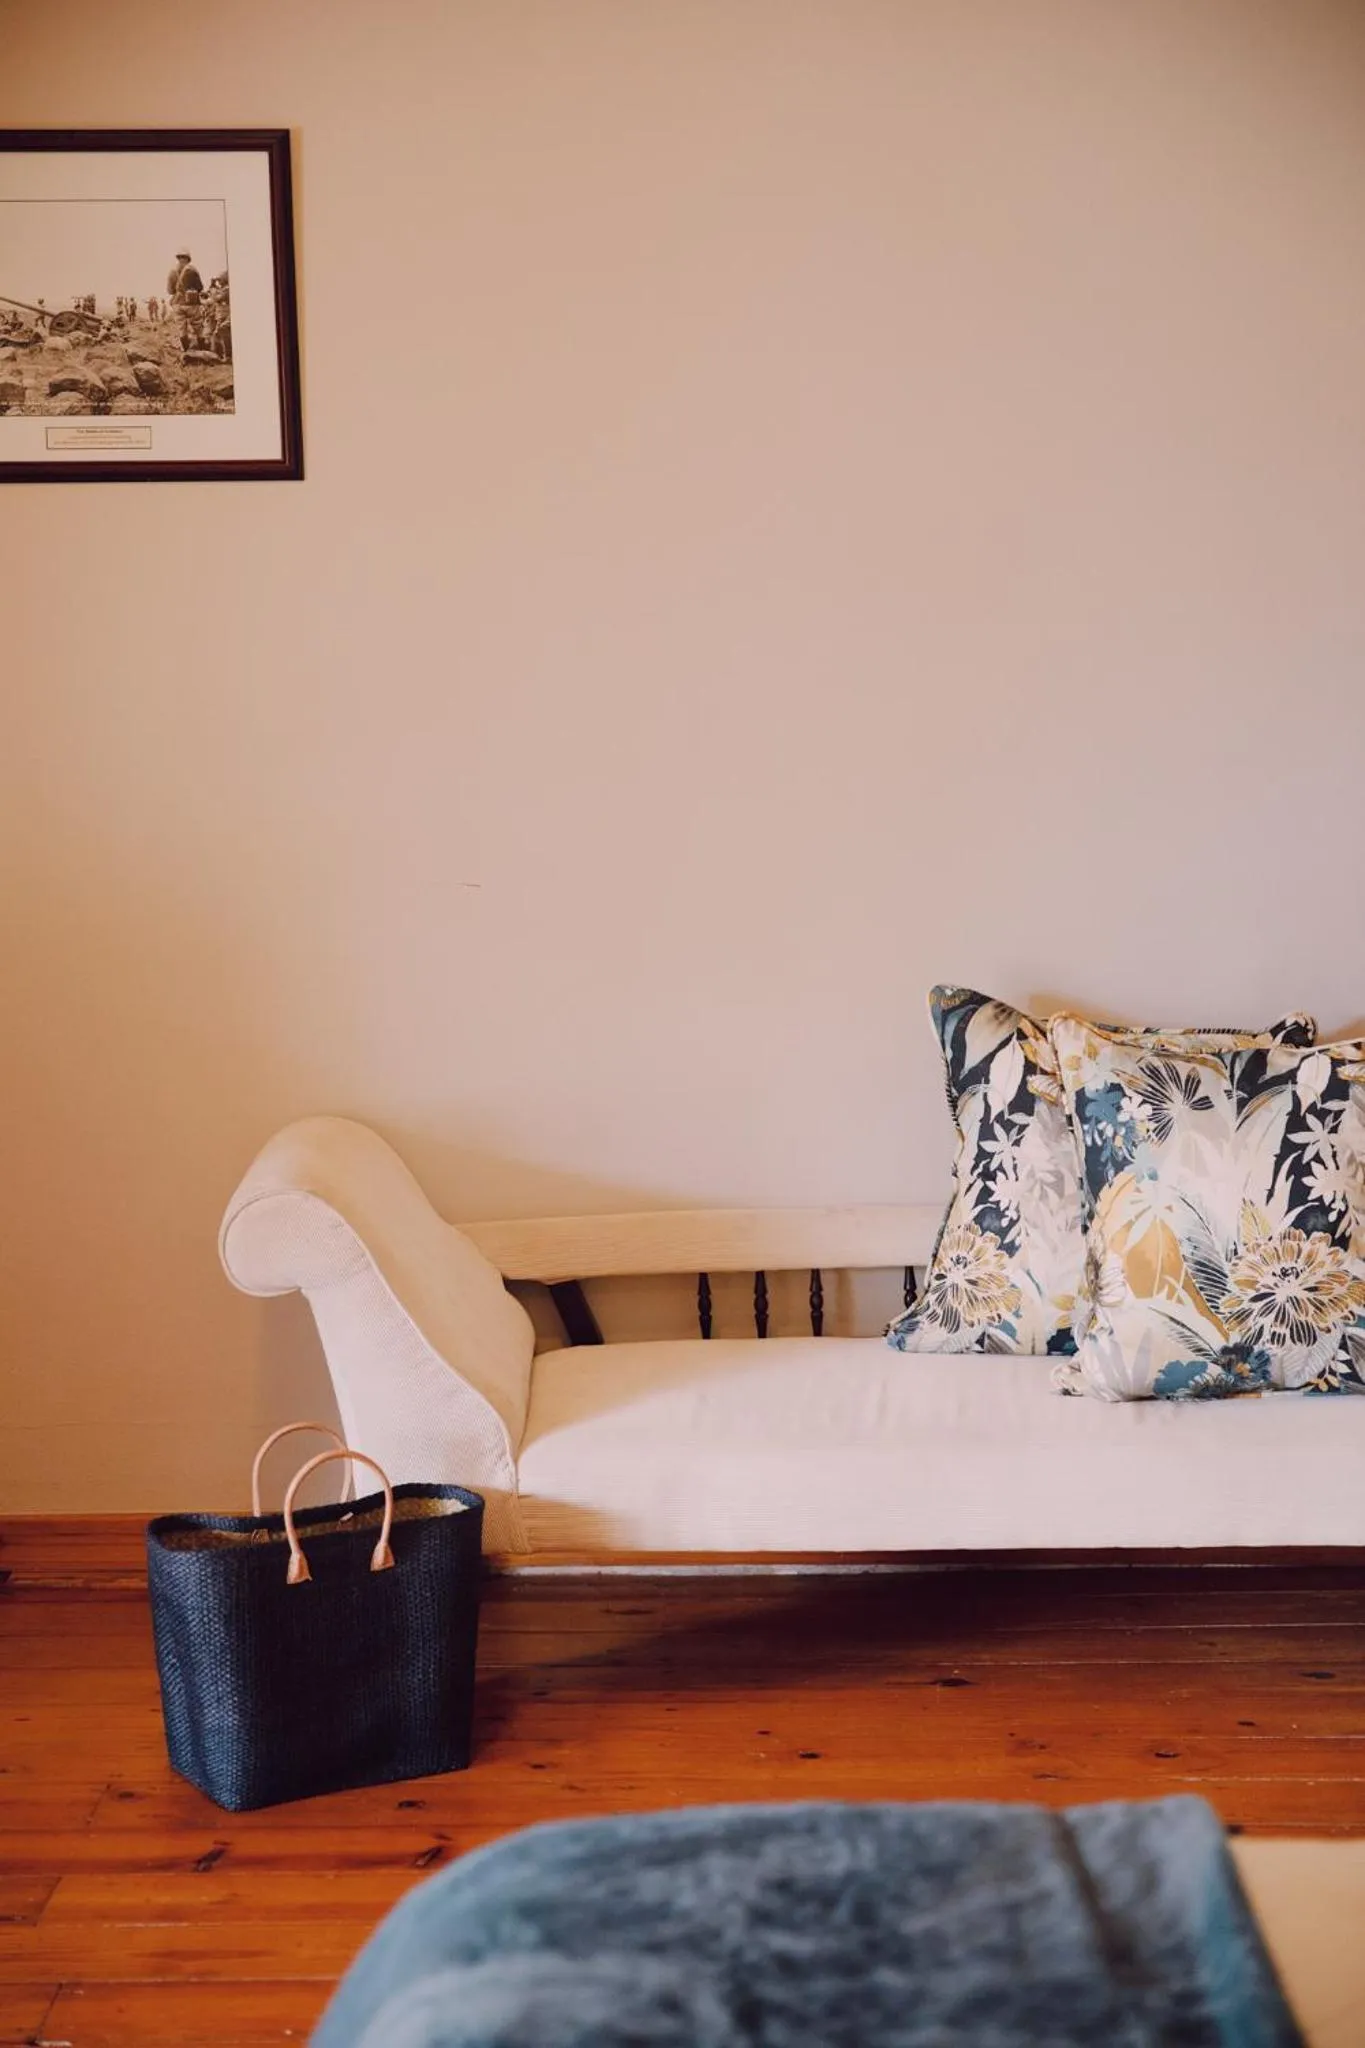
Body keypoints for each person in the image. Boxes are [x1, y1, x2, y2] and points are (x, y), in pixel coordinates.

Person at [167, 247, 206, 351]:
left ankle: (186, 352)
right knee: (198, 326)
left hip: (177, 303)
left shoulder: (172, 271)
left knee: (181, 328)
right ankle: (202, 351)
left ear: (178, 258)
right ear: (188, 258)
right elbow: (200, 287)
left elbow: (170, 291)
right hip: (191, 303)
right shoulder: (192, 270)